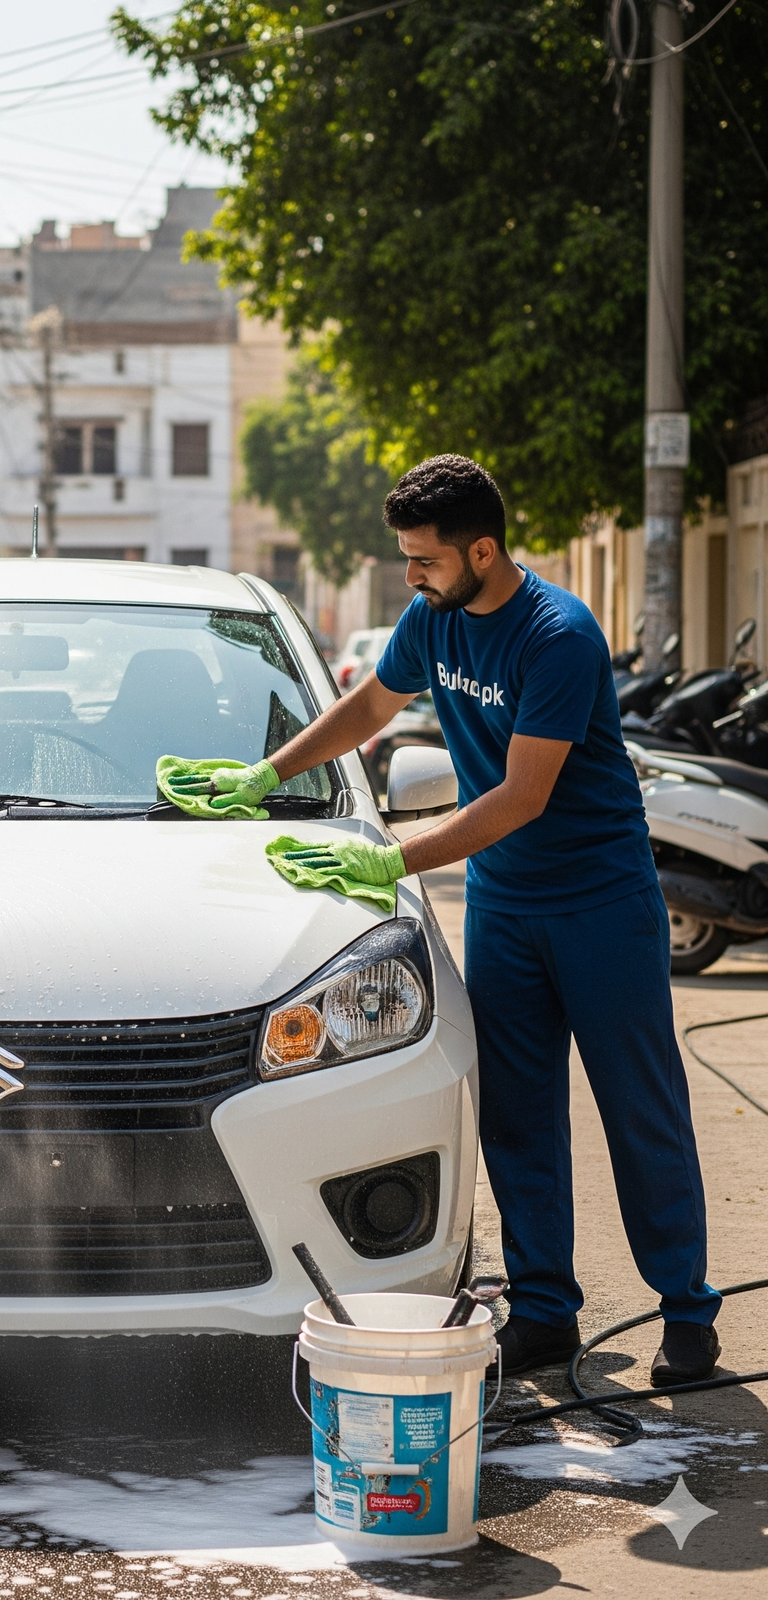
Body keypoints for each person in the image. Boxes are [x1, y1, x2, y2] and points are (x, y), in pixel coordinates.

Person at [217, 454, 720, 1385]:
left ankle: (687, 1313)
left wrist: (390, 857)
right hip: (505, 905)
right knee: (520, 1118)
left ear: (481, 552)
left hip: (601, 904)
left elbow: (524, 796)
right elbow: (369, 704)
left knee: (638, 1111)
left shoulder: (556, 635)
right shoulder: (431, 620)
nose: (411, 574)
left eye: (424, 559)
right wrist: (266, 775)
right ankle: (544, 1311)